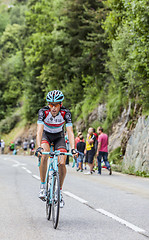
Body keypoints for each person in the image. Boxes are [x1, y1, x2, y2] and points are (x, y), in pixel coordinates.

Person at [35, 90, 77, 207]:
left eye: (56, 105)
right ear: (48, 105)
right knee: (44, 155)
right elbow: (39, 131)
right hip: (46, 136)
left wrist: (73, 148)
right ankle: (43, 186)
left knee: (62, 163)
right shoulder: (43, 112)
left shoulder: (66, 113)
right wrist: (38, 147)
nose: (53, 108)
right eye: (51, 105)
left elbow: (70, 132)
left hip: (59, 137)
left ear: (61, 104)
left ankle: (59, 191)